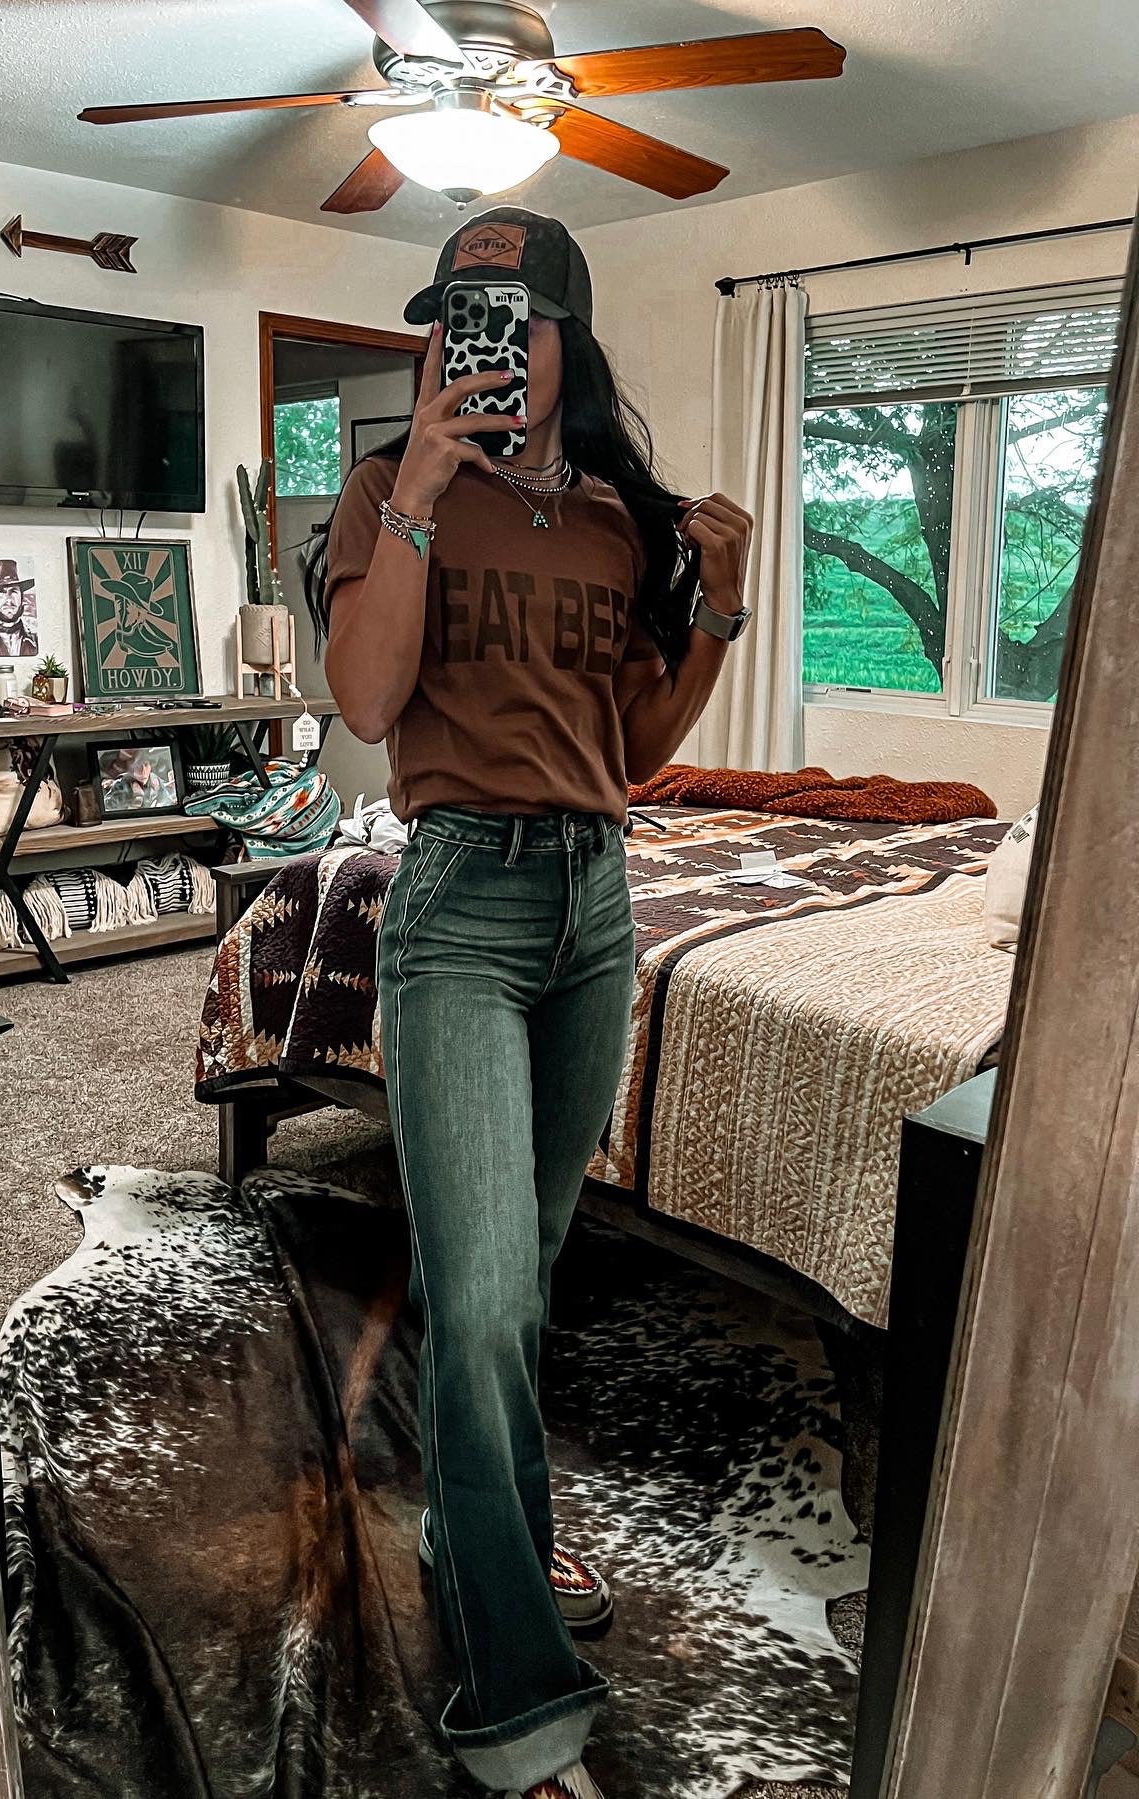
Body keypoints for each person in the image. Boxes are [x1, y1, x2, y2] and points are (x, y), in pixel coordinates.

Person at [304, 208, 753, 1799]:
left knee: (520, 1266)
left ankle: (482, 1523)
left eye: (507, 321)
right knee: (487, 1290)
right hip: (461, 907)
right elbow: (367, 701)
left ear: (568, 334)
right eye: (455, 321)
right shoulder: (386, 486)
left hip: (595, 907)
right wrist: (422, 490)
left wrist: (717, 605)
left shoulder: (623, 519)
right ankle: (520, 1709)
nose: (477, 347)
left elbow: (634, 746)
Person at [0, 558, 39, 658]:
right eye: (1, 593)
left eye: (13, 591)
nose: (9, 600)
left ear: (22, 597)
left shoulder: (37, 640)